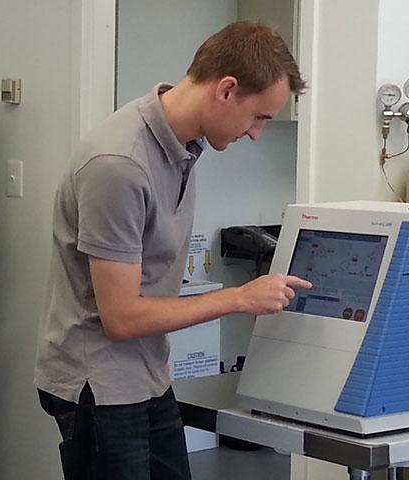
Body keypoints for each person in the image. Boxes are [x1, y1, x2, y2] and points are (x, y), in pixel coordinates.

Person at [34, 21, 310, 480]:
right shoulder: (119, 164)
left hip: (146, 373)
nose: (257, 133)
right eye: (259, 116)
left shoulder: (183, 146)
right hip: (99, 383)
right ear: (226, 90)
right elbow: (121, 317)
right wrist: (239, 298)